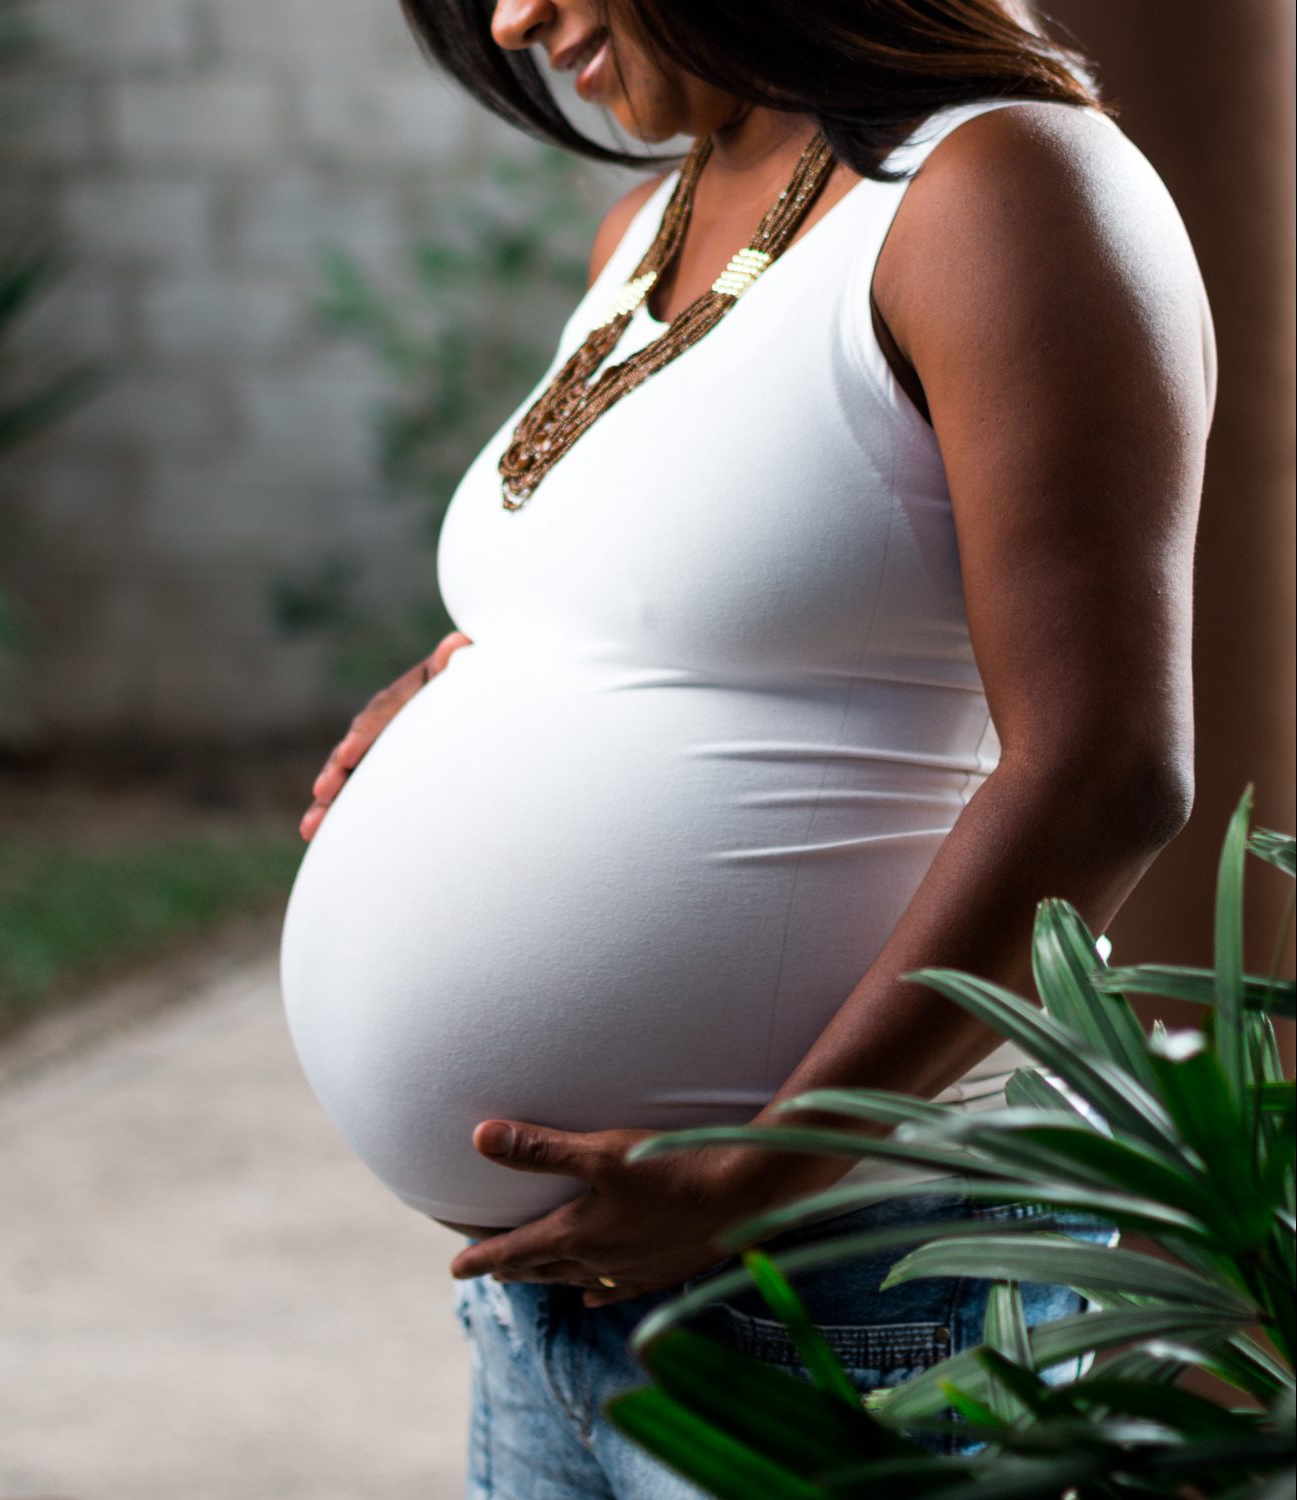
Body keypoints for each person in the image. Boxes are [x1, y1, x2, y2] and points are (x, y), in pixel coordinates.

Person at [283, 1, 1214, 1494]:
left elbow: (1104, 768)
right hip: (559, 1311)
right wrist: (475, 684)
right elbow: (684, 613)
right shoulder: (640, 233)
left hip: (857, 1282)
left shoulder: (997, 184)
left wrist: (767, 1170)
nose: (517, 20)